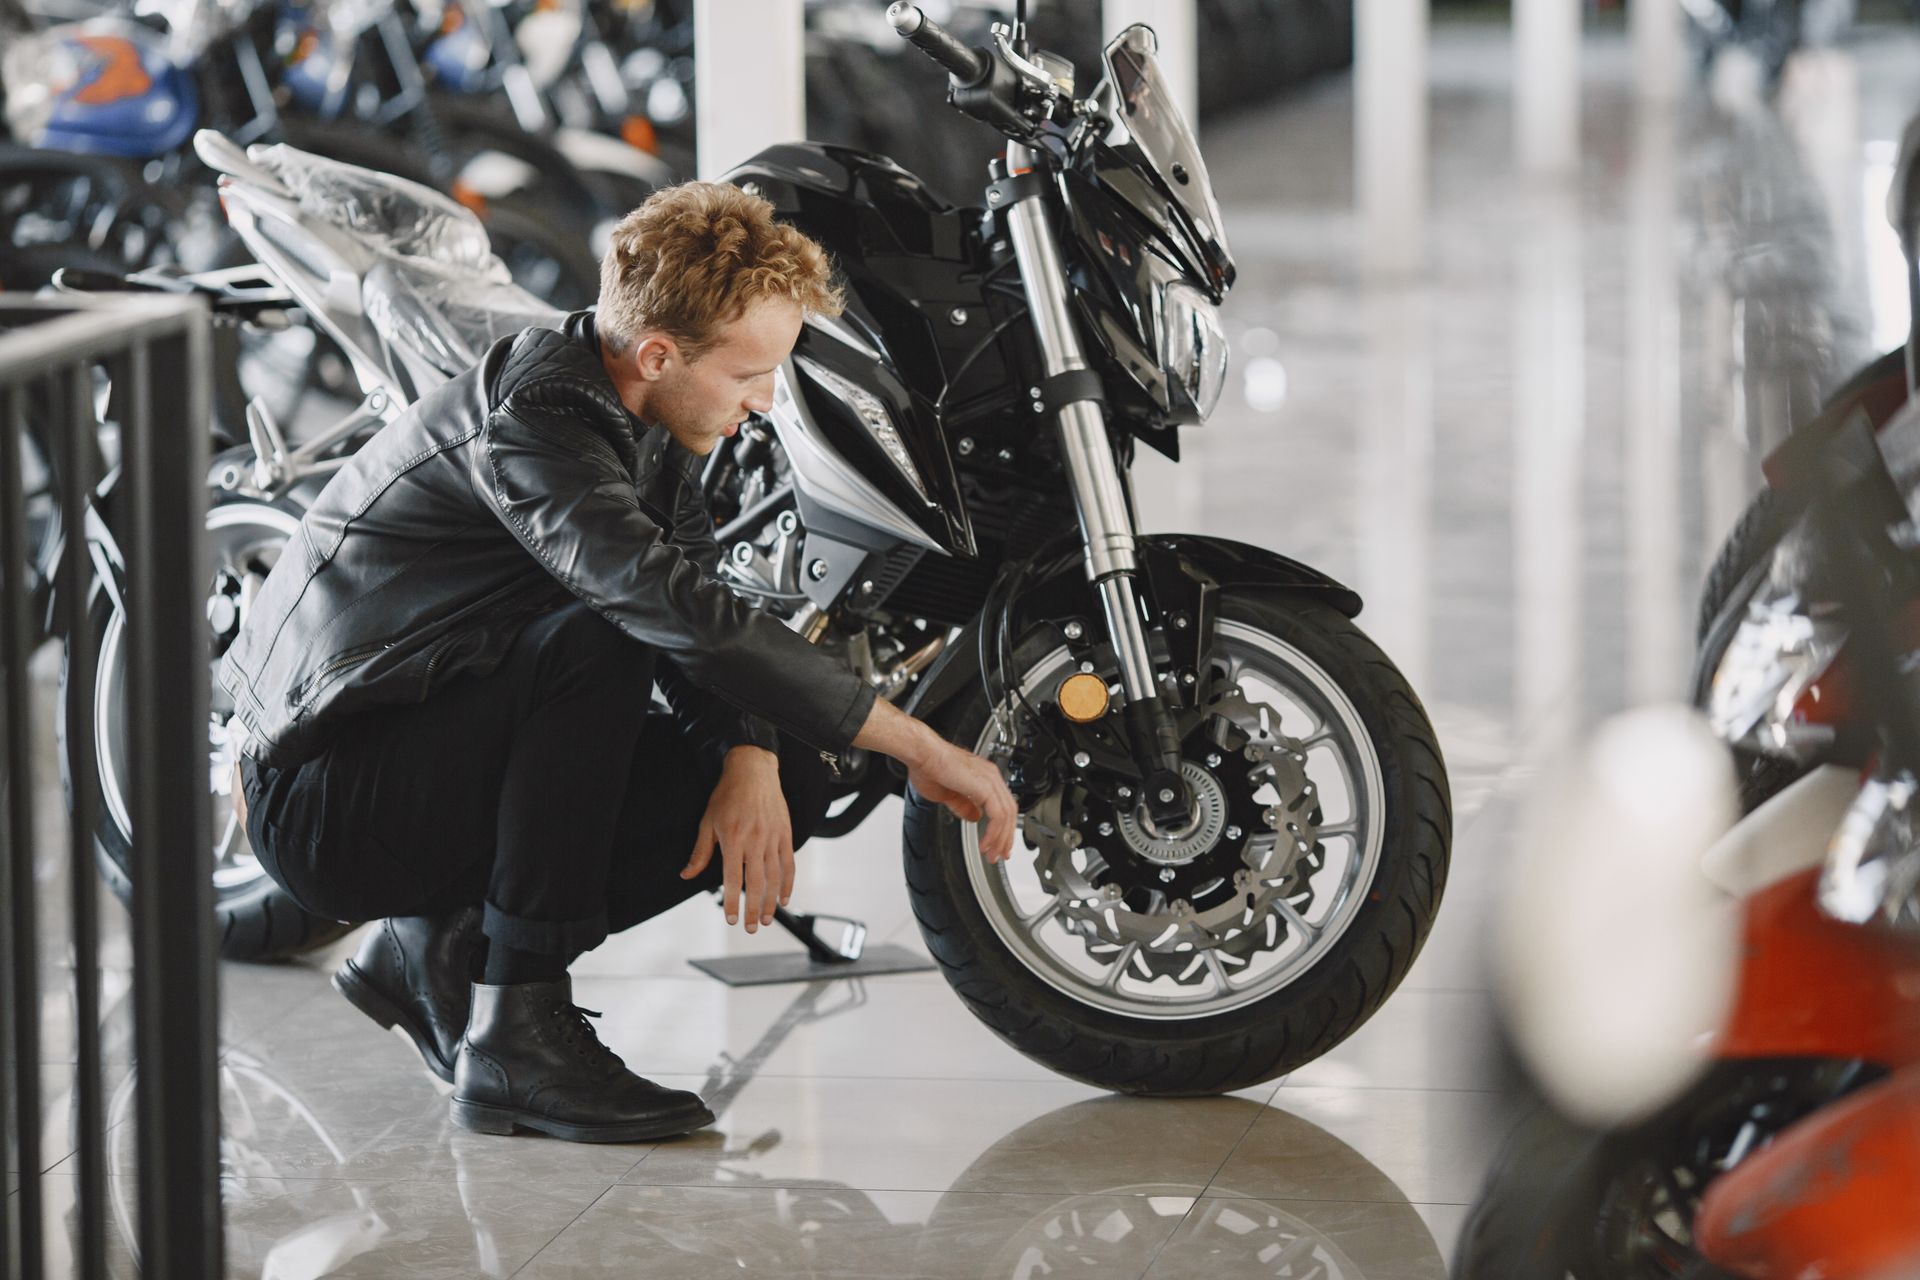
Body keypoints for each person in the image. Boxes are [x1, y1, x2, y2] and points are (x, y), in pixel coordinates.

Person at [223, 182, 1017, 1145]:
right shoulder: (537, 421)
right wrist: (919, 745)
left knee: (791, 773)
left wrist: (749, 755)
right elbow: (667, 607)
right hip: (320, 798)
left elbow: (696, 602)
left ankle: (435, 949)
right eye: (749, 375)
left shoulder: (645, 416)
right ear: (659, 353)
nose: (765, 404)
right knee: (601, 632)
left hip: (426, 742)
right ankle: (518, 1030)